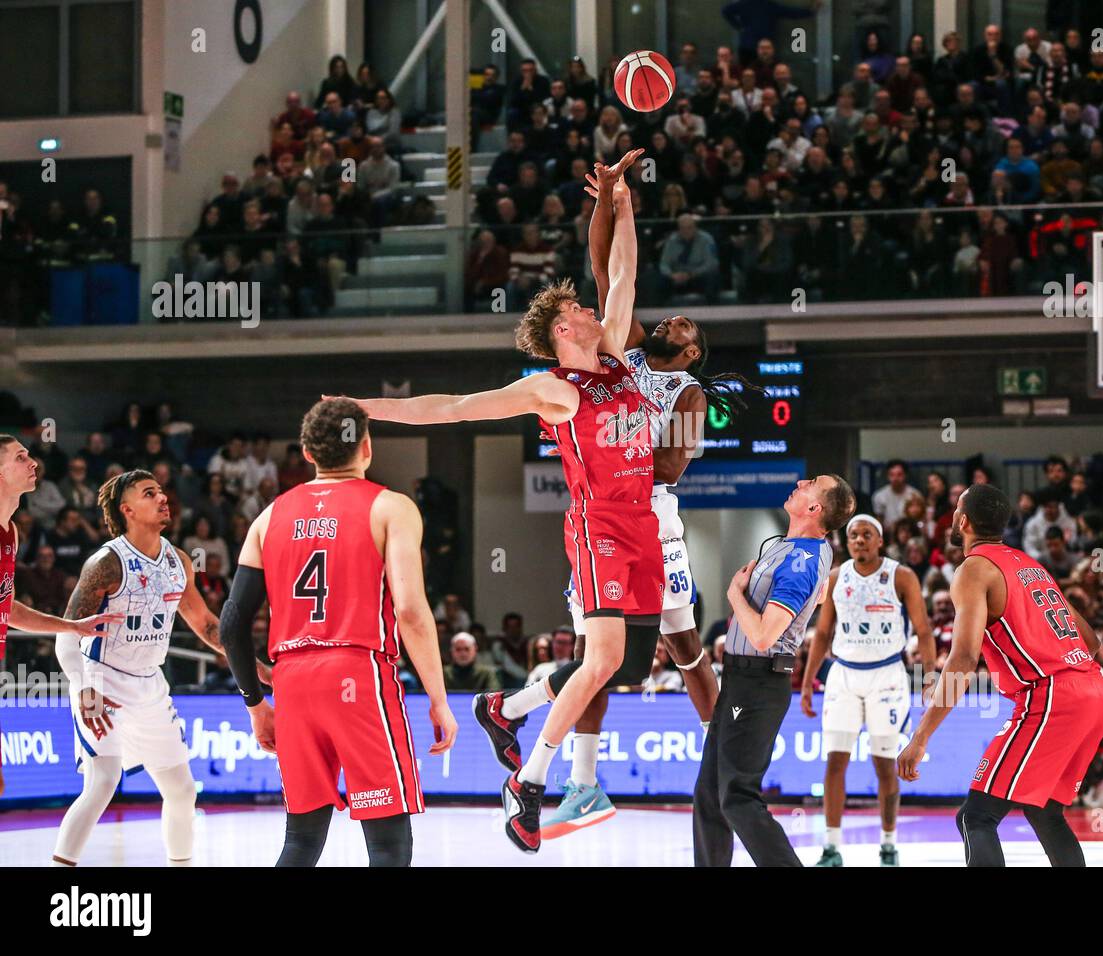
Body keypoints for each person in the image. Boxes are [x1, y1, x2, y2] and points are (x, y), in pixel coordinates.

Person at [337, 148, 661, 854]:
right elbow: (454, 407)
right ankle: (530, 786)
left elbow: (626, 270)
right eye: (580, 307)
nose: (593, 306)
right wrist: (367, 407)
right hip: (600, 525)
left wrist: (623, 204)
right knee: (602, 658)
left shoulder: (610, 359)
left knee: (629, 668)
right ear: (562, 331)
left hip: (643, 526)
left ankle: (503, 708)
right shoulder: (552, 388)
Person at [534, 163, 762, 839]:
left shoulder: (688, 394)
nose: (680, 320)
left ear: (690, 352)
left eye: (690, 328)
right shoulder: (627, 349)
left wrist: (624, 445)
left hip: (651, 511)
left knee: (685, 642)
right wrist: (609, 198)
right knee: (594, 646)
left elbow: (674, 463)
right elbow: (605, 269)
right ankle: (584, 776)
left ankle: (722, 756)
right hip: (600, 509)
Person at [219, 399, 457, 867]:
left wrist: (254, 703)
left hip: (291, 680)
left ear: (306, 453)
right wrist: (438, 697)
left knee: (301, 840)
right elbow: (410, 610)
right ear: (366, 446)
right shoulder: (391, 506)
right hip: (358, 673)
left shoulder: (268, 517)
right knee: (388, 843)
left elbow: (231, 624)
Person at [898, 483, 1103, 867]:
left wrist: (921, 736)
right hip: (1093, 690)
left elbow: (963, 659)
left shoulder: (973, 569)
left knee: (975, 816)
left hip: (1051, 695)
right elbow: (1092, 641)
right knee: (1045, 811)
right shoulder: (1029, 564)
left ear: (962, 521)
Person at [49, 469, 242, 866]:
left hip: (150, 685)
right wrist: (84, 686)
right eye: (149, 493)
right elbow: (66, 635)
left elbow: (206, 625)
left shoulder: (179, 561)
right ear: (128, 510)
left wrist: (256, 668)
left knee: (182, 789)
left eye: (161, 491)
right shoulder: (106, 562)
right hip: (101, 680)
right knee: (102, 782)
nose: (162, 497)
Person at [693, 474, 854, 866]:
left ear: (815, 509)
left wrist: (735, 596)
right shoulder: (803, 547)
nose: (800, 482)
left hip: (757, 680)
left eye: (811, 484)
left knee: (736, 796)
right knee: (710, 795)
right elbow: (816, 601)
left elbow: (765, 636)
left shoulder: (801, 560)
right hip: (743, 679)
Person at [800, 514, 936, 867]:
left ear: (880, 541)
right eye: (853, 535)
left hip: (887, 675)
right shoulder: (835, 577)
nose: (859, 540)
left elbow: (923, 629)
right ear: (847, 543)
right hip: (843, 675)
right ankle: (831, 848)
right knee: (835, 763)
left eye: (866, 535)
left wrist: (931, 674)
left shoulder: (901, 576)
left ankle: (888, 844)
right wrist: (807, 681)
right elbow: (823, 633)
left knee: (885, 766)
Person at [0, 436, 124, 799]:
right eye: (20, 457)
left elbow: (5, 607)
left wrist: (71, 626)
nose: (33, 462)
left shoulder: (11, 532)